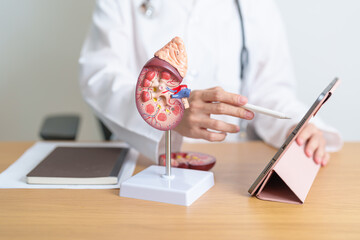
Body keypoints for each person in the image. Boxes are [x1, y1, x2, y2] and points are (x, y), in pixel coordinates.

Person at [79, 0, 342, 165]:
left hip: (228, 171)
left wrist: (295, 127)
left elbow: (269, 89)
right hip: (141, 161)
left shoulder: (256, 6)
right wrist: (168, 112)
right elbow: (99, 74)